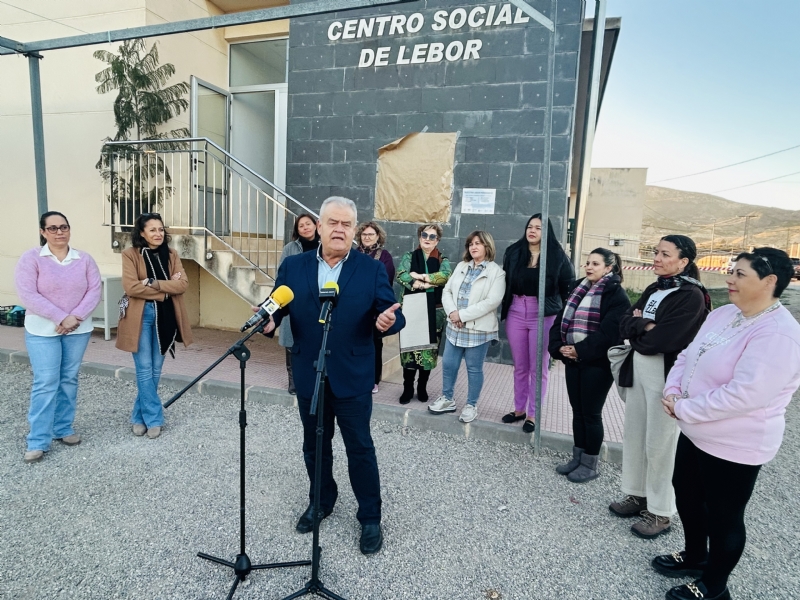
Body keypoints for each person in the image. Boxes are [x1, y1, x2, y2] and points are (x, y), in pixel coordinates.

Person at [259, 196, 405, 555]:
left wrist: (389, 321)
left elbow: (393, 313)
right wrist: (269, 319)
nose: (339, 229)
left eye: (346, 224)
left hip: (354, 375)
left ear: (354, 231)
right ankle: (321, 501)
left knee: (360, 448)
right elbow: (278, 305)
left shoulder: (370, 270)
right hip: (310, 372)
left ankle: (370, 516)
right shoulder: (294, 266)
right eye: (332, 223)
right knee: (314, 446)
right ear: (319, 227)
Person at [653, 248, 800, 600]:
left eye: (740, 274)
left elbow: (745, 395)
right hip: (696, 430)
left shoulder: (779, 333)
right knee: (687, 494)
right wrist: (673, 390)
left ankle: (715, 585)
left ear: (770, 282)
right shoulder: (724, 314)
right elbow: (689, 354)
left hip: (736, 443)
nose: (729, 279)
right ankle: (694, 556)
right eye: (731, 271)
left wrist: (685, 408)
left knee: (724, 515)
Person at [609, 235, 710, 539]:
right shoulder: (655, 288)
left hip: (667, 378)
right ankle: (636, 493)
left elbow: (664, 341)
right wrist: (643, 326)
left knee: (661, 444)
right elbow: (624, 322)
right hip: (640, 370)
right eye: (656, 252)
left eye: (665, 254)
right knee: (636, 435)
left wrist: (641, 329)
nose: (656, 258)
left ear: (683, 261)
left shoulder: (691, 296)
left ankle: (661, 511)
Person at [15, 211, 102, 463]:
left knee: (68, 379)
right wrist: (60, 317)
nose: (59, 232)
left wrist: (75, 317)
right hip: (42, 330)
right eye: (52, 228)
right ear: (43, 232)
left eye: (63, 227)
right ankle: (38, 440)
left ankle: (63, 428)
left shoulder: (84, 259)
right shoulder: (31, 259)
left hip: (77, 330)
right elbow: (28, 294)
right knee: (45, 382)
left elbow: (94, 290)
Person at [548, 248, 630, 483]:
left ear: (609, 268)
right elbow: (560, 319)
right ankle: (578, 457)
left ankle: (590, 464)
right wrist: (559, 347)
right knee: (578, 412)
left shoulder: (616, 295)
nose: (589, 267)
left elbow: (609, 333)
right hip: (573, 361)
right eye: (587, 263)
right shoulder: (577, 289)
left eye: (595, 263)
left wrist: (580, 349)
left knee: (591, 414)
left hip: (597, 364)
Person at [116, 213, 193, 439]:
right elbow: (131, 288)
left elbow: (183, 284)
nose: (158, 234)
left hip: (166, 318)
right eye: (152, 230)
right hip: (140, 316)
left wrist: (154, 283)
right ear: (141, 233)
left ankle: (138, 417)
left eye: (160, 229)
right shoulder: (130, 255)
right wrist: (164, 292)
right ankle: (154, 418)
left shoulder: (171, 254)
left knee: (155, 369)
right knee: (144, 368)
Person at [500, 214, 574, 433]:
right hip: (516, 310)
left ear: (547, 232)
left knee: (538, 366)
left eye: (538, 228)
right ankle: (519, 409)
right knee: (520, 366)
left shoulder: (557, 257)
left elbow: (567, 290)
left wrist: (562, 320)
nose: (532, 230)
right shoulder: (514, 252)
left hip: (543, 314)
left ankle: (533, 413)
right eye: (529, 226)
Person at [429, 231, 505, 423]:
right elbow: (447, 291)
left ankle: (471, 405)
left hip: (477, 329)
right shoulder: (462, 266)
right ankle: (447, 399)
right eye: (471, 243)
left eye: (478, 243)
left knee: (474, 368)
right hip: (455, 326)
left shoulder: (497, 272)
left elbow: (492, 302)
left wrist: (461, 315)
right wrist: (453, 313)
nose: (473, 247)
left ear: (487, 246)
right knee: (448, 364)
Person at [396, 224, 452, 404]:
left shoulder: (443, 259)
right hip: (411, 308)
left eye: (432, 236)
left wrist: (420, 277)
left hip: (434, 311)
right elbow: (402, 275)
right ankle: (407, 388)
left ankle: (422, 387)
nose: (427, 238)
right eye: (424, 235)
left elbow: (445, 276)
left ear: (438, 240)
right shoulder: (409, 256)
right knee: (409, 350)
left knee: (428, 351)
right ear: (420, 237)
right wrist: (421, 284)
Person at [278, 213, 319, 395]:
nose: (305, 228)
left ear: (316, 225)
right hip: (295, 300)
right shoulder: (290, 248)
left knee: (315, 341)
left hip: (318, 300)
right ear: (297, 230)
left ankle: (313, 379)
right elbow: (283, 272)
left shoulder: (324, 246)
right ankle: (293, 381)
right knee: (292, 342)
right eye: (301, 225)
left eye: (308, 224)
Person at [356, 221, 396, 394]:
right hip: (355, 308)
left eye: (371, 234)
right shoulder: (353, 253)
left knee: (374, 345)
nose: (367, 237)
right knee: (355, 343)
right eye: (364, 235)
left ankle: (373, 380)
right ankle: (356, 376)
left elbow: (385, 279)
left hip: (374, 311)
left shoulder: (384, 256)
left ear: (378, 236)